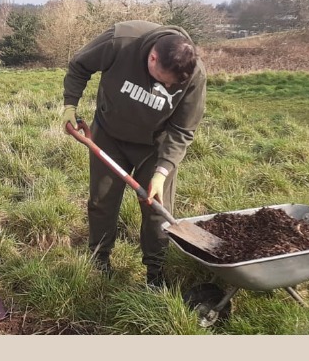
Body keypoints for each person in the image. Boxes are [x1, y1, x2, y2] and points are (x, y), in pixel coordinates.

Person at [63, 21, 206, 289]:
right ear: (152, 57)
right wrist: (70, 105)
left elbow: (183, 130)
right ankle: (99, 261)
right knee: (102, 202)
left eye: (169, 85)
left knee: (157, 212)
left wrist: (162, 172)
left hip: (155, 146)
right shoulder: (120, 40)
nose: (162, 87)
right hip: (109, 136)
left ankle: (156, 272)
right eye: (161, 80)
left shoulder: (195, 75)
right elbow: (79, 66)